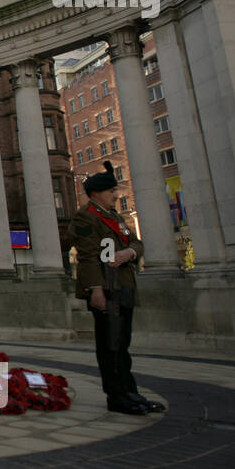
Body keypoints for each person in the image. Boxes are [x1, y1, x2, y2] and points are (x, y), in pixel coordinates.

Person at [69, 160, 165, 416]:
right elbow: (88, 256)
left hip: (123, 286)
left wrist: (130, 252)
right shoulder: (85, 217)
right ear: (97, 193)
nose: (115, 194)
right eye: (111, 191)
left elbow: (136, 242)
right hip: (106, 289)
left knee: (122, 344)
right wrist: (95, 289)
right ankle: (117, 395)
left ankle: (129, 391)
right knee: (110, 345)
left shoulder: (115, 217)